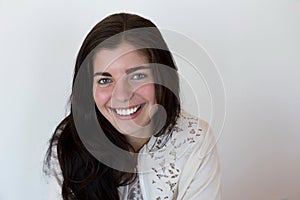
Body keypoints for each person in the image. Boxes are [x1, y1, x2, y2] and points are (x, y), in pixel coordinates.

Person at [44, 13, 221, 200]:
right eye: (105, 80)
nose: (122, 95)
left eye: (137, 76)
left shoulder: (195, 140)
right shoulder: (71, 140)